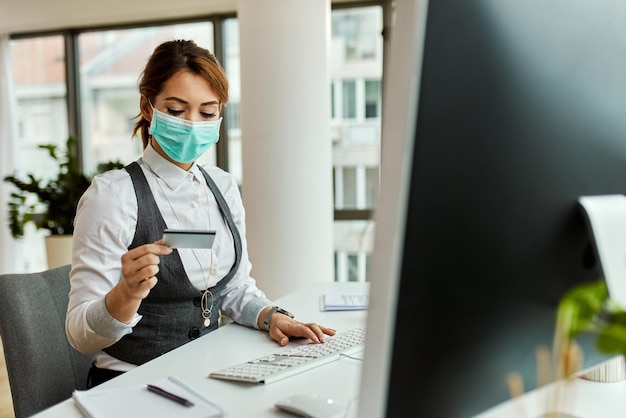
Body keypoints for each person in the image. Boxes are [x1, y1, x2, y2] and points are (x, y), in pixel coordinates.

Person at [66, 39, 336, 388]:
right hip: (129, 383)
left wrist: (271, 316)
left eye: (207, 113)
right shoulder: (113, 196)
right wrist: (126, 294)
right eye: (177, 111)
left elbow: (235, 289)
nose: (193, 124)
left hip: (205, 371)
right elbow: (80, 336)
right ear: (147, 107)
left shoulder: (222, 187)